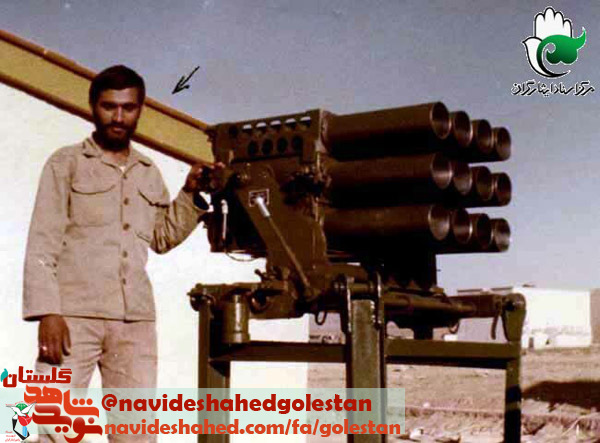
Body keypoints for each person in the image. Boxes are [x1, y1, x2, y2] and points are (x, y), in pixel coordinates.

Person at [23, 65, 218, 441]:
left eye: (128, 108)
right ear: (93, 107)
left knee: (137, 431)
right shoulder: (66, 163)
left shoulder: (148, 171)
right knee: (54, 427)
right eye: (109, 106)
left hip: (134, 322)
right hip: (71, 318)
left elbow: (161, 237)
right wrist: (47, 312)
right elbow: (42, 243)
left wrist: (191, 194)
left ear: (140, 109)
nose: (118, 117)